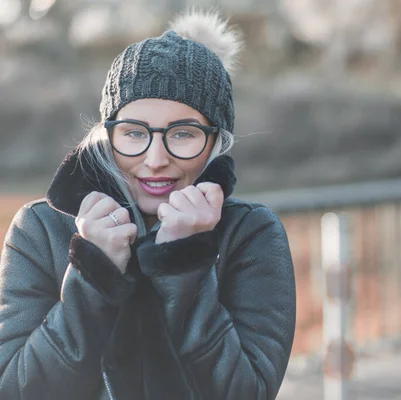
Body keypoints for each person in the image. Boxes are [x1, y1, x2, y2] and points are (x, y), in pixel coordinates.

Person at [0, 9, 296, 400]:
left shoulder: (250, 233)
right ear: (107, 136)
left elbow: (247, 392)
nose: (156, 158)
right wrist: (94, 271)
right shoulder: (40, 228)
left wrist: (184, 260)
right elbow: (17, 389)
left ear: (215, 141)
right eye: (135, 132)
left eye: (184, 134)